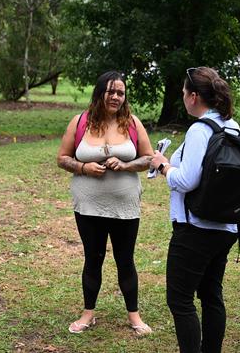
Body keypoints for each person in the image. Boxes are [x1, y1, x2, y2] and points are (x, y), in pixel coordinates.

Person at [151, 67, 240, 353]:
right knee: (211, 294)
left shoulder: (200, 130)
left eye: (182, 93)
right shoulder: (233, 126)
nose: (182, 98)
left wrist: (163, 166)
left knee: (180, 299)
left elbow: (187, 180)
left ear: (193, 96)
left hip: (195, 229)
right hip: (225, 226)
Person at [57, 71, 154, 335]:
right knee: (93, 259)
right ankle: (88, 314)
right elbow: (62, 158)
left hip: (125, 207)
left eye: (120, 92)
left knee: (126, 260)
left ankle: (134, 316)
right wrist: (83, 167)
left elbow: (149, 158)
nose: (115, 97)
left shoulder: (132, 123)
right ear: (100, 93)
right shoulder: (80, 122)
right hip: (88, 206)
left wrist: (125, 165)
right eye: (110, 91)